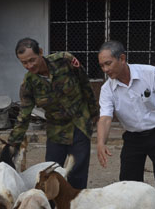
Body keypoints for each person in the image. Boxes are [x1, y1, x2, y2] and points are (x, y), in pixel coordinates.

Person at [8, 38, 98, 189]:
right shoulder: (28, 84)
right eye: (24, 63)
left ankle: (75, 208)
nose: (29, 66)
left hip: (79, 124)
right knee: (50, 172)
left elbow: (85, 85)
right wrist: (11, 145)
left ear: (41, 53)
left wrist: (95, 113)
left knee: (77, 173)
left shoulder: (65, 61)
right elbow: (23, 116)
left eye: (32, 60)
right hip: (56, 131)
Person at [96, 40, 155, 204]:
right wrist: (100, 142)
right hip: (133, 138)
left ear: (122, 58)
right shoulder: (107, 89)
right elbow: (105, 118)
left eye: (108, 64)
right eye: (102, 66)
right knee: (128, 182)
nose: (105, 70)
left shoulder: (150, 73)